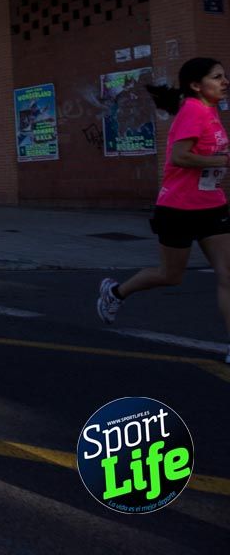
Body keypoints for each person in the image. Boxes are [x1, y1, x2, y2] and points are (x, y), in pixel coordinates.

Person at [98, 58, 230, 364]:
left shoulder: (210, 110)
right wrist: (222, 161)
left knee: (228, 274)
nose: (225, 82)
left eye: (224, 76)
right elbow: (180, 157)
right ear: (196, 85)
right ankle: (115, 293)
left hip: (212, 205)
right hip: (178, 208)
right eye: (217, 77)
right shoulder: (193, 111)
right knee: (170, 276)